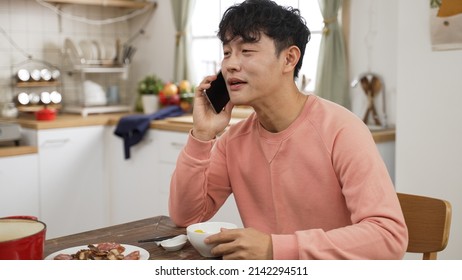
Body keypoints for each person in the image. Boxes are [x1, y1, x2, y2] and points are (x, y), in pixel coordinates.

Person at [169, 0, 408, 260]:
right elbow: (187, 217)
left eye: (246, 51)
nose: (230, 65)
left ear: (289, 58)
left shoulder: (342, 130)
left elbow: (389, 237)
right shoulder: (233, 141)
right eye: (227, 52)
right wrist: (202, 135)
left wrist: (275, 248)